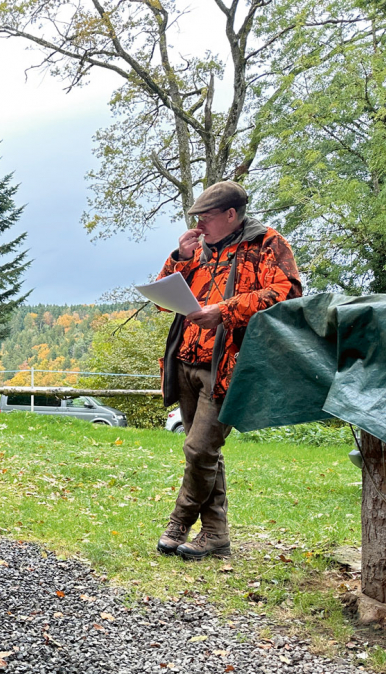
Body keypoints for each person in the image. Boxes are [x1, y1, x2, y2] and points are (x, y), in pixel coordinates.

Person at [155, 181, 301, 560]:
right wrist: (179, 258)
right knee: (204, 454)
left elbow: (288, 292)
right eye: (196, 218)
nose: (199, 225)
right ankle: (216, 535)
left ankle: (179, 520)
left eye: (206, 217)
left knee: (199, 447)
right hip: (186, 360)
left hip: (229, 364)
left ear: (232, 215)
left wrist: (224, 311)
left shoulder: (267, 244)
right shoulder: (197, 249)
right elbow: (160, 298)